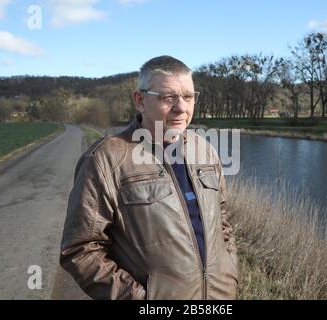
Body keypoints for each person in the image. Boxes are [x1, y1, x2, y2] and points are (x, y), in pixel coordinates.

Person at [60, 55, 238, 300]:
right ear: (140, 100)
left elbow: (222, 220)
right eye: (168, 97)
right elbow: (80, 249)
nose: (182, 107)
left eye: (188, 97)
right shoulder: (105, 159)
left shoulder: (205, 150)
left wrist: (230, 271)